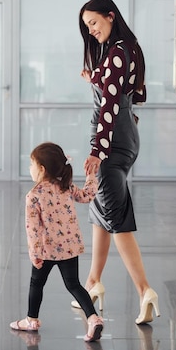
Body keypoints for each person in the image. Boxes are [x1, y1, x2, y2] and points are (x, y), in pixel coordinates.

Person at [72, 0, 160, 325]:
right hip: (124, 136)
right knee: (101, 210)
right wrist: (95, 78)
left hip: (112, 142)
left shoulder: (117, 53)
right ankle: (92, 283)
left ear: (110, 16)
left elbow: (109, 105)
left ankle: (145, 291)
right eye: (87, 26)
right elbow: (132, 91)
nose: (91, 30)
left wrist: (97, 150)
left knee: (117, 218)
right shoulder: (127, 47)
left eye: (93, 23)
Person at [10, 142, 104, 342]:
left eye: (31, 165)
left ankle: (31, 320)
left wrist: (35, 254)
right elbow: (88, 196)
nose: (30, 169)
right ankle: (93, 318)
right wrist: (91, 176)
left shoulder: (33, 196)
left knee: (37, 283)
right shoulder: (66, 186)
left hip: (47, 250)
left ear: (42, 169)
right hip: (69, 247)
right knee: (74, 285)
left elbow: (33, 230)